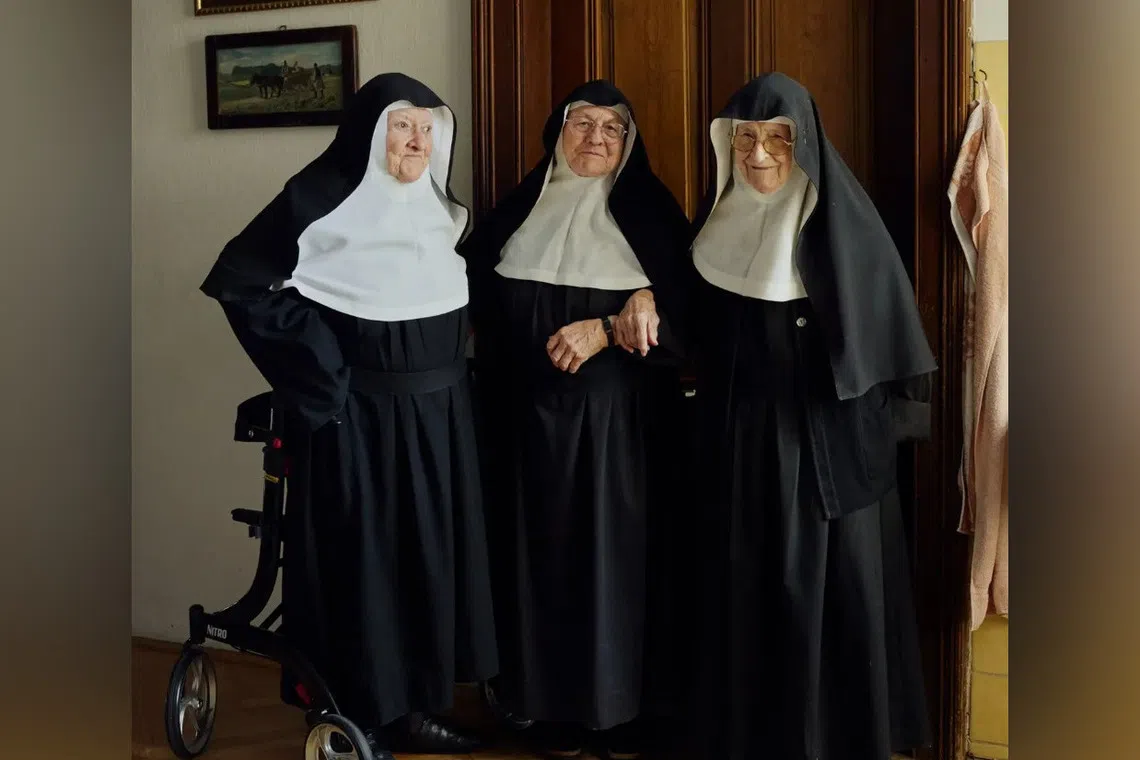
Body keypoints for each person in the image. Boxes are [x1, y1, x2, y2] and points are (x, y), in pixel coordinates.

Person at [198, 72, 498, 759]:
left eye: (427, 127)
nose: (417, 141)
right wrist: (323, 376)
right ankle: (354, 717)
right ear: (369, 134)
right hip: (356, 423)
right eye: (401, 126)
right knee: (362, 570)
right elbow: (240, 281)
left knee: (428, 563)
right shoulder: (317, 202)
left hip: (439, 419)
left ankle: (417, 711)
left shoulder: (442, 211)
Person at [685, 72, 938, 760]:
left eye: (778, 138)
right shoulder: (715, 225)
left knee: (823, 600)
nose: (760, 155)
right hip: (739, 447)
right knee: (747, 597)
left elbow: (889, 346)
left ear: (806, 146)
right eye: (745, 138)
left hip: (826, 453)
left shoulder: (847, 230)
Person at [460, 80, 691, 760]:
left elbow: (696, 320)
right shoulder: (515, 211)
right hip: (522, 426)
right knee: (533, 568)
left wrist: (622, 319)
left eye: (612, 128)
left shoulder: (651, 213)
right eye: (580, 124)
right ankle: (539, 708)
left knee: (613, 571)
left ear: (630, 143)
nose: (595, 138)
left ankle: (618, 716)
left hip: (618, 431)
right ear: (554, 134)